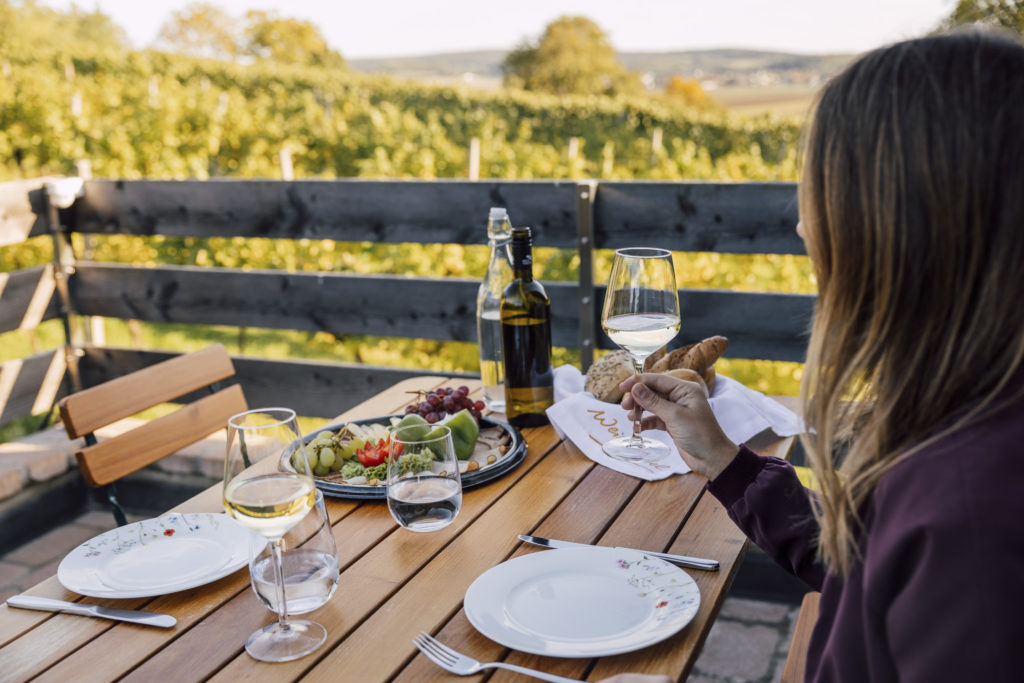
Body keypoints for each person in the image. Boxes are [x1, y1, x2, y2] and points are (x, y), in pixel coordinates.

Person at [613, 29, 1024, 682]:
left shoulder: (970, 516)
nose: (804, 225)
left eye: (827, 192)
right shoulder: (967, 426)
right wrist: (724, 461)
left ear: (903, 226)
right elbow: (865, 569)